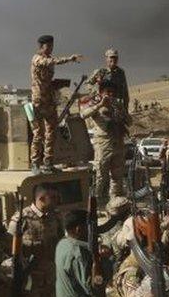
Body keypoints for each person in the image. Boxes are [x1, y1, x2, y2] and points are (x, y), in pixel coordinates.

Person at [8, 183, 68, 297]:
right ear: (41, 199)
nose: (57, 200)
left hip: (51, 275)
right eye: (53, 197)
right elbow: (10, 246)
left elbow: (60, 241)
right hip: (30, 278)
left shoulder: (56, 216)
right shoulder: (21, 218)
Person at [30, 34, 82, 173]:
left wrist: (57, 85)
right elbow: (50, 62)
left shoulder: (48, 59)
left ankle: (48, 163)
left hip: (49, 101)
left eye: (52, 46)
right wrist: (69, 59)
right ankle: (35, 163)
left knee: (51, 133)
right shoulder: (37, 59)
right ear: (41, 47)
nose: (51, 48)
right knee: (38, 133)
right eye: (48, 46)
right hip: (39, 101)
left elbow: (47, 79)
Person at [82, 77, 129, 204]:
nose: (110, 94)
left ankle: (115, 201)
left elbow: (129, 122)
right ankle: (95, 203)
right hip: (103, 144)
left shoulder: (117, 105)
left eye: (112, 92)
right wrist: (100, 105)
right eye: (108, 92)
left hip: (118, 143)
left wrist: (122, 111)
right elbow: (83, 114)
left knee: (117, 176)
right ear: (101, 93)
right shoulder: (95, 103)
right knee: (100, 175)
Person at [90, 48, 129, 113]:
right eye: (111, 57)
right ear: (106, 59)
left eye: (115, 57)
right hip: (102, 104)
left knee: (127, 121)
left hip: (117, 104)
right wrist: (95, 92)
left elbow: (125, 92)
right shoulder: (100, 72)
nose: (113, 59)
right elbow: (88, 83)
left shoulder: (121, 72)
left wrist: (126, 108)